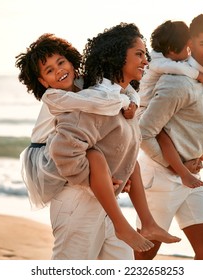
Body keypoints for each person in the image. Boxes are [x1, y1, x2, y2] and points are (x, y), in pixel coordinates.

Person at [16, 32, 178, 258]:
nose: (59, 71)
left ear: (72, 61)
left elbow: (123, 92)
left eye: (61, 62)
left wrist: (132, 101)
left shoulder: (87, 85)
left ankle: (147, 222)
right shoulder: (56, 97)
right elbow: (68, 143)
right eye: (49, 70)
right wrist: (91, 182)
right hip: (46, 154)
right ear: (43, 82)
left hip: (100, 202)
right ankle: (128, 219)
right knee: (94, 156)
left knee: (130, 163)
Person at [135, 13, 203, 260]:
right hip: (161, 176)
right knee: (143, 256)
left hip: (190, 174)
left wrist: (196, 156)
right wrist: (177, 168)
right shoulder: (177, 82)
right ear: (190, 44)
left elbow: (185, 126)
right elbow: (143, 134)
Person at [138, 20, 203, 189]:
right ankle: (182, 172)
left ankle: (200, 150)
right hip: (143, 109)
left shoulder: (166, 57)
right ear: (172, 51)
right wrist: (200, 76)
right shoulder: (157, 62)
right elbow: (181, 69)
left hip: (152, 103)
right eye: (188, 49)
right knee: (162, 137)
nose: (190, 54)